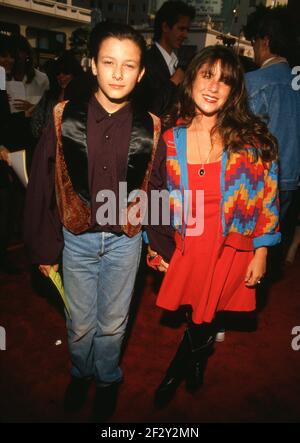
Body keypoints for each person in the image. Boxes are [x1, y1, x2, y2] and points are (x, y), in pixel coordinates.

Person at [24, 23, 161, 422]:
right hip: (76, 238)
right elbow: (43, 183)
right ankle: (80, 373)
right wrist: (44, 247)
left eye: (129, 65)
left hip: (124, 242)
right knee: (80, 323)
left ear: (141, 74)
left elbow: (155, 187)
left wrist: (160, 244)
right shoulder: (63, 116)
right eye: (109, 62)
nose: (118, 73)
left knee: (114, 324)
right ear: (92, 65)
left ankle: (106, 380)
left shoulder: (152, 126)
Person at [145, 45, 280, 406]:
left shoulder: (253, 142)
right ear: (190, 81)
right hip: (188, 244)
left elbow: (267, 196)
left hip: (230, 246)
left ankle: (179, 367)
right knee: (196, 310)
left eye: (225, 81)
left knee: (207, 313)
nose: (213, 86)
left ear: (235, 92)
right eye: (207, 75)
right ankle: (199, 358)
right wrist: (155, 245)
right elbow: (155, 194)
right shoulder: (171, 138)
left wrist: (262, 250)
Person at [244, 9, 300, 222]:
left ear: (264, 41)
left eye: (254, 42)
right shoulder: (295, 83)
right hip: (290, 181)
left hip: (259, 179)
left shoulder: (254, 82)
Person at [137, 0, 195, 116]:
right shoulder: (146, 62)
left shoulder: (178, 63)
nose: (185, 35)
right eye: (181, 29)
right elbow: (150, 109)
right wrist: (174, 82)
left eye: (187, 30)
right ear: (165, 27)